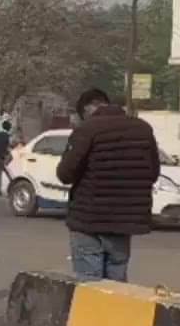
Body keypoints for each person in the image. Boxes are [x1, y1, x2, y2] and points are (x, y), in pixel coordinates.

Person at [56, 88, 159, 282]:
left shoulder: (87, 129)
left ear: (87, 109)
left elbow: (65, 174)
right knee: (117, 282)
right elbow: (152, 173)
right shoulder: (143, 129)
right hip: (124, 220)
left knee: (89, 282)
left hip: (88, 219)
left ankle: (91, 313)